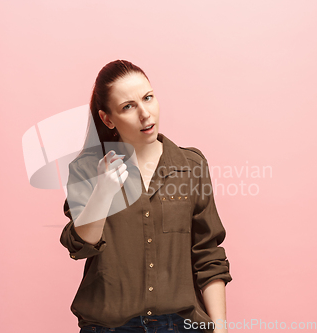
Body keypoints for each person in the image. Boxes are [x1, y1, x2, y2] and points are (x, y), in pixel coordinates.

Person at [60, 60, 232, 333]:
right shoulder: (87, 169)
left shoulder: (191, 165)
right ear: (107, 119)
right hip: (110, 327)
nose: (145, 114)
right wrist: (103, 191)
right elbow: (80, 245)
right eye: (128, 106)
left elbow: (208, 255)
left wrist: (220, 329)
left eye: (148, 98)